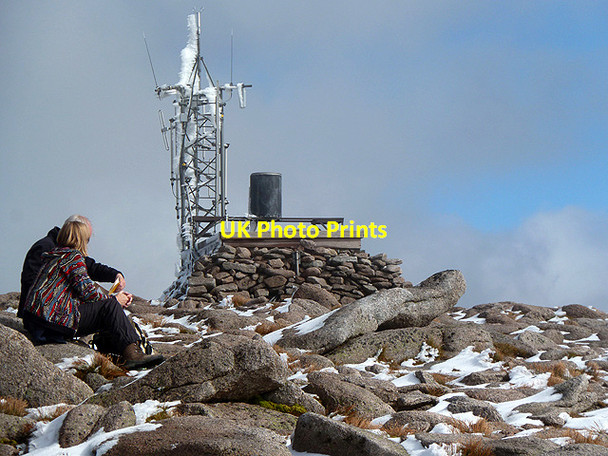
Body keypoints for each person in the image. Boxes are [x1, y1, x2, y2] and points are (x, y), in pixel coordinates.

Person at [21, 215, 164, 369]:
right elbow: (87, 291)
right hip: (51, 321)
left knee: (105, 307)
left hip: (37, 320)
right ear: (81, 239)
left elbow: (87, 274)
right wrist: (113, 299)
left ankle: (114, 351)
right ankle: (132, 355)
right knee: (109, 307)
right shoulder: (72, 257)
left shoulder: (54, 254)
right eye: (87, 239)